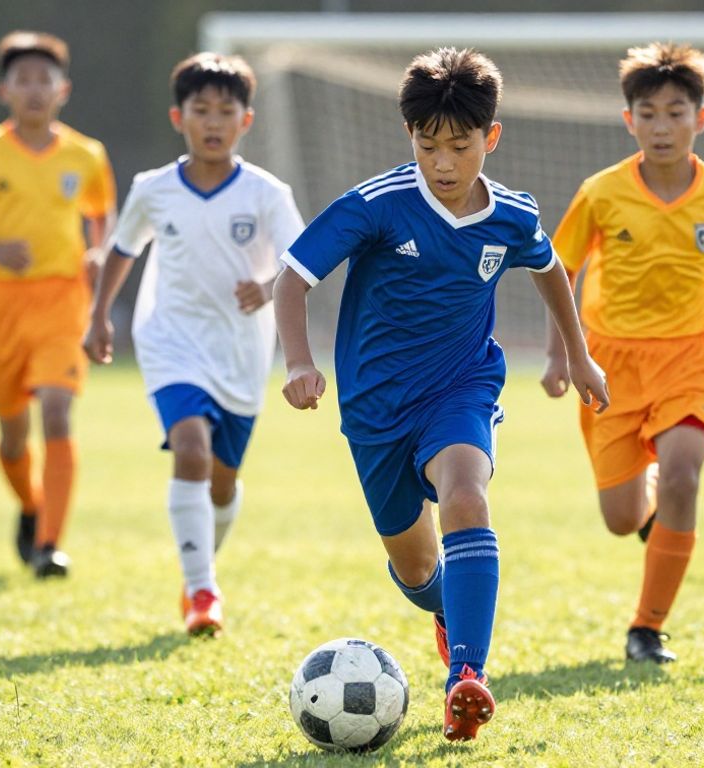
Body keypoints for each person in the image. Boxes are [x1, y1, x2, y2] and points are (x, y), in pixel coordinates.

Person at [274, 47, 608, 741]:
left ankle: (467, 677)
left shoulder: (512, 216)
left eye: (460, 146)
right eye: (429, 147)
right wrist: (299, 362)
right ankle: (445, 609)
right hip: (373, 410)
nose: (445, 164)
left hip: (461, 385)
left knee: (465, 493)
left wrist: (578, 356)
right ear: (411, 140)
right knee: (419, 565)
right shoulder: (376, 205)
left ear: (492, 138)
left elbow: (549, 270)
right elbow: (293, 279)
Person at [548, 42, 704, 664]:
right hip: (610, 365)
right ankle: (652, 506)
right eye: (648, 113)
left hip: (691, 357)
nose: (662, 126)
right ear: (629, 121)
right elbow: (558, 267)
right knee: (622, 519)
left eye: (676, 113)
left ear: (700, 119)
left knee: (684, 476)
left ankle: (646, 629)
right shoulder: (601, 193)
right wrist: (561, 355)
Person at [85, 52, 304, 636]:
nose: (212, 121)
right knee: (190, 451)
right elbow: (122, 250)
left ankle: (197, 569)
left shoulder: (266, 193)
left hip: (240, 352)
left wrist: (265, 286)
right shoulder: (153, 189)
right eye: (200, 110)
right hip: (170, 341)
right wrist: (98, 317)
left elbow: (302, 259)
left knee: (223, 482)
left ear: (245, 121)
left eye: (225, 111)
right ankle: (204, 591)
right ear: (177, 116)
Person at [0, 31, 116, 577]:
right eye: (23, 80)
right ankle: (32, 508)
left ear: (64, 89)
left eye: (45, 79)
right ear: (3, 90)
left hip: (63, 299)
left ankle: (50, 545)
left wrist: (98, 250)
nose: (35, 89)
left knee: (57, 412)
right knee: (13, 434)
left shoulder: (86, 154)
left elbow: (101, 212)